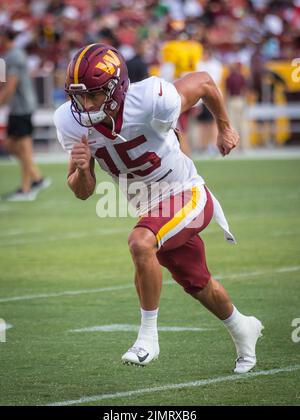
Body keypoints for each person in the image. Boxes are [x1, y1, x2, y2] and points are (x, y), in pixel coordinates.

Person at [54, 43, 264, 373]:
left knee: (140, 242)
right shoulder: (71, 122)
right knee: (198, 284)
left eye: (94, 95)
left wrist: (224, 126)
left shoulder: (152, 97)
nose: (87, 104)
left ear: (117, 88)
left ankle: (148, 337)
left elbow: (206, 82)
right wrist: (81, 170)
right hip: (152, 208)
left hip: (187, 193)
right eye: (79, 96)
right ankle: (243, 327)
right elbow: (83, 191)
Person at [0, 28, 51, 201]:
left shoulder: (14, 55)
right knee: (13, 146)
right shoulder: (8, 56)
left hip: (21, 108)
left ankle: (27, 187)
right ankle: (36, 179)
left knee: (22, 148)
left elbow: (11, 85)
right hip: (16, 108)